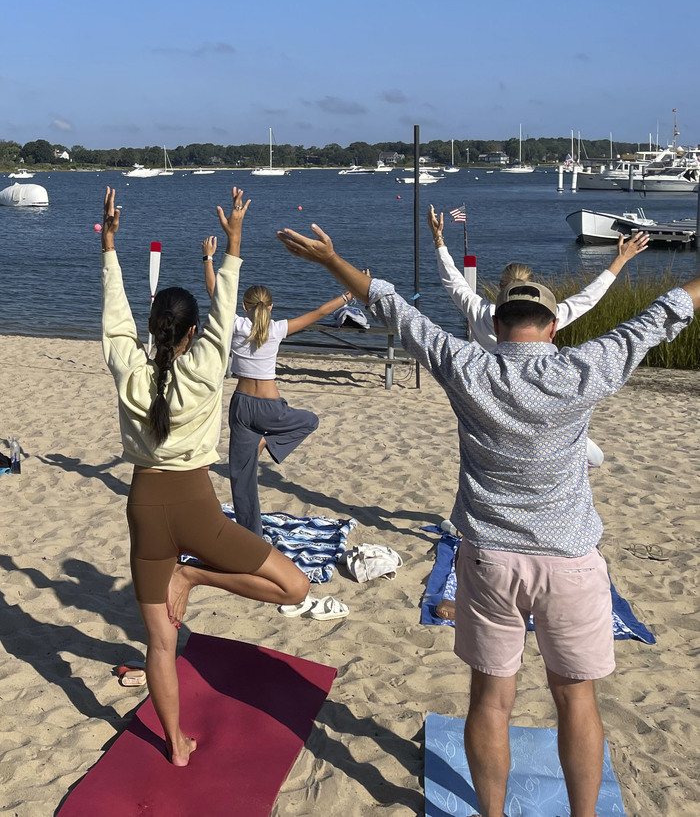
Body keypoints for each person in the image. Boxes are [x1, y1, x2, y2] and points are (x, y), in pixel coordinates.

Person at [278, 219, 698, 817]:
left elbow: (393, 307)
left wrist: (333, 261)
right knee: (577, 701)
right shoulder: (584, 369)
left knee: (491, 701)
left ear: (497, 328)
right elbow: (666, 311)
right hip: (572, 562)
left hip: (489, 560)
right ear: (553, 327)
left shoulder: (470, 366)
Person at [102, 187, 309, 768]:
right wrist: (235, 240)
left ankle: (175, 745)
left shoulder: (130, 371)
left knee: (160, 645)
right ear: (191, 334)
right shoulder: (207, 367)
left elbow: (115, 319)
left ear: (153, 329)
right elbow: (225, 313)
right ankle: (195, 581)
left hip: (144, 507)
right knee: (295, 589)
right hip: (196, 506)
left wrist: (111, 245)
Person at [429, 207, 648, 468]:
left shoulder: (480, 312)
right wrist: (620, 260)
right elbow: (587, 298)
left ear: (500, 288)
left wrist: (439, 240)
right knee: (593, 458)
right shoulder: (546, 317)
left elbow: (454, 281)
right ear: (533, 287)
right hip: (538, 401)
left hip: (491, 403)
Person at [202, 237, 350, 538]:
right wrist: (348, 296)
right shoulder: (277, 328)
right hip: (271, 409)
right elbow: (321, 312)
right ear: (271, 307)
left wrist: (208, 259)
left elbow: (215, 294)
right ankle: (267, 445)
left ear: (244, 306)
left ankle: (250, 535)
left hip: (242, 406)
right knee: (310, 420)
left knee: (241, 477)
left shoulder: (237, 325)